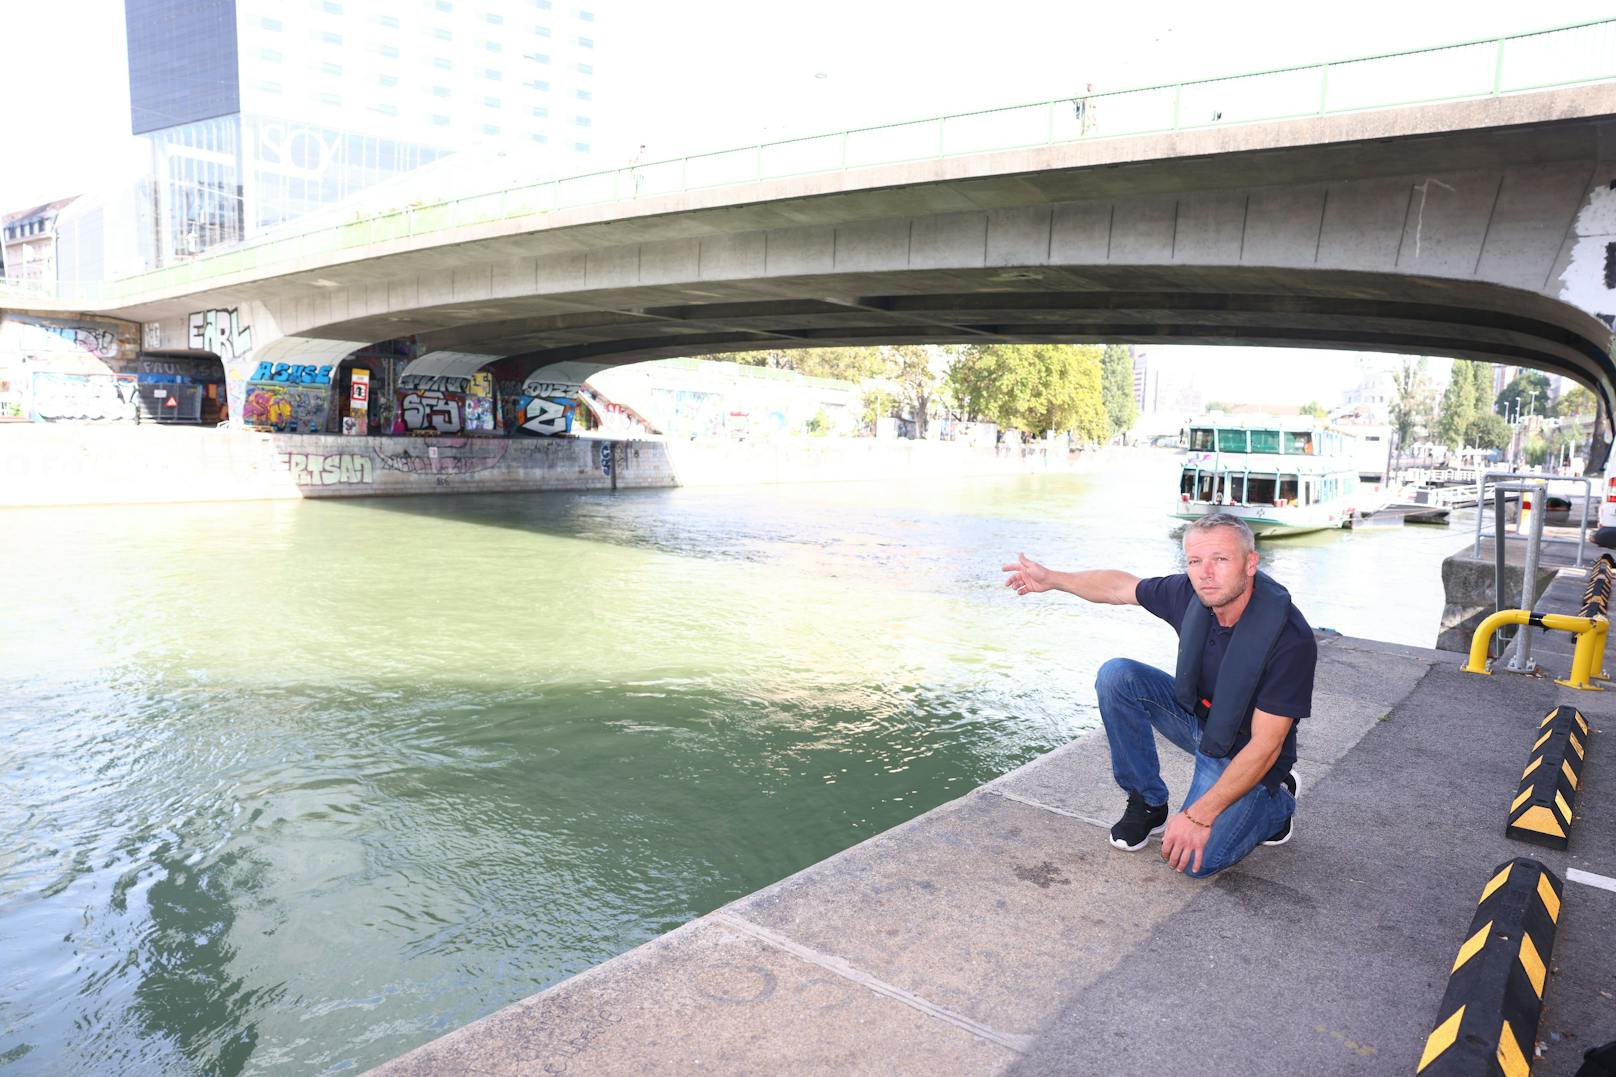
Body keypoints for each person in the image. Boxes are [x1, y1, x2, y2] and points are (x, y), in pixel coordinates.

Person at [1001, 513, 1316, 878]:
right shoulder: (1188, 593)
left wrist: (1197, 816)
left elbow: (1266, 746)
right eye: (1196, 561)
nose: (1206, 572)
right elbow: (1120, 587)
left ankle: (1277, 805)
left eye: (1221, 559)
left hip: (1247, 751)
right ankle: (1149, 802)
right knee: (1117, 676)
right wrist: (1053, 580)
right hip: (1200, 722)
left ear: (1251, 563)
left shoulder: (1290, 640)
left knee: (1198, 861)